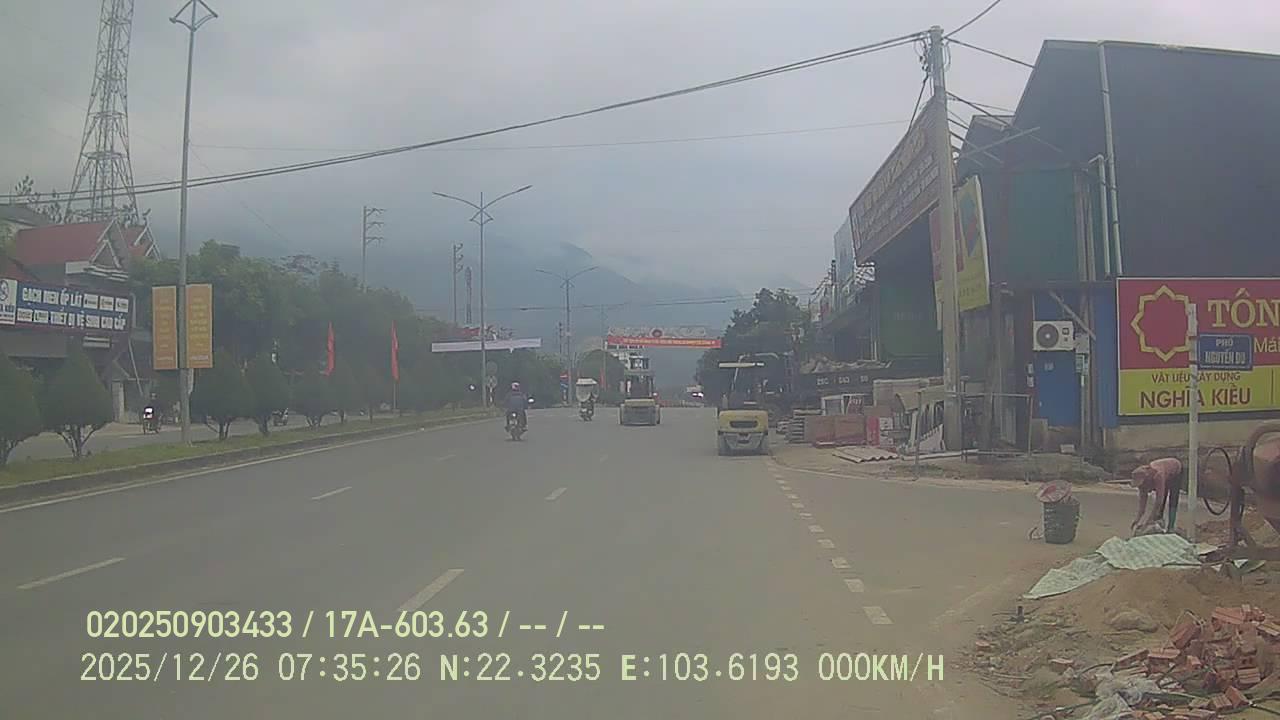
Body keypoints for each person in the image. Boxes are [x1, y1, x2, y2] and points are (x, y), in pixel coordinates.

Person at [1131, 457, 1184, 535]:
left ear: (1146, 478)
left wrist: (1148, 522)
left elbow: (1159, 500)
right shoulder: (1142, 485)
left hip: (1175, 470)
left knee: (1172, 498)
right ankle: (1159, 521)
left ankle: (1171, 527)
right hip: (1165, 473)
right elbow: (1142, 503)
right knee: (1161, 502)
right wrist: (1137, 519)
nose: (1141, 486)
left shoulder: (1158, 475)